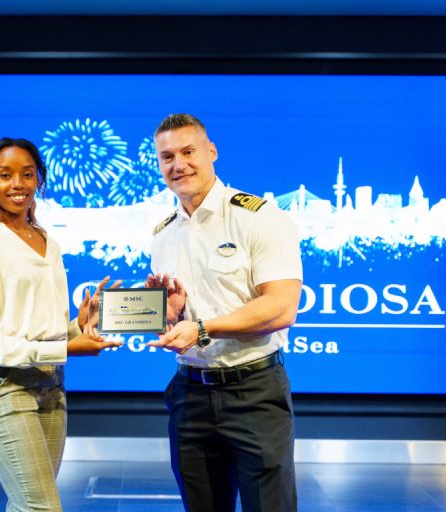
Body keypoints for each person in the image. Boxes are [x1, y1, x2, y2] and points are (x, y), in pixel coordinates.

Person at [145, 114, 303, 512]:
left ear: (211, 151)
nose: (178, 165)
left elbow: (281, 308)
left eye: (187, 152)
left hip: (253, 392)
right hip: (189, 395)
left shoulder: (258, 216)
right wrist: (173, 316)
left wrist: (200, 328)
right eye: (167, 157)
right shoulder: (162, 233)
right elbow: (183, 323)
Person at [0, 137, 120, 512]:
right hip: (1, 388)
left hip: (51, 387)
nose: (17, 184)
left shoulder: (47, 241)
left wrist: (79, 325)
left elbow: (44, 327)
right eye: (6, 175)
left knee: (25, 504)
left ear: (38, 181)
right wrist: (66, 348)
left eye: (27, 175)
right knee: (41, 507)